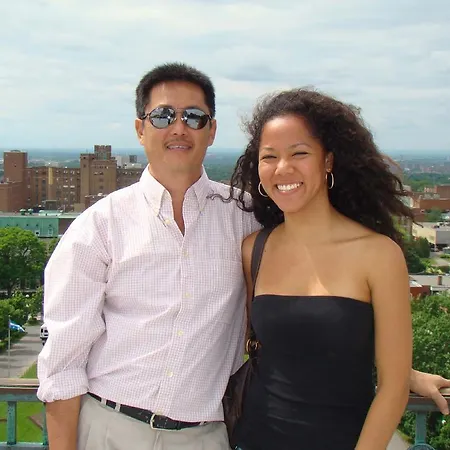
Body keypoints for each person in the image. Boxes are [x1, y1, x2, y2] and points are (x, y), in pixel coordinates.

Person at [37, 63, 450, 450]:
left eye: (194, 117)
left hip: (208, 437)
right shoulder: (99, 227)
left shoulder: (244, 220)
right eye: (162, 116)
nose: (179, 127)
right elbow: (62, 366)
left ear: (211, 130)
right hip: (111, 429)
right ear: (140, 129)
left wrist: (400, 373)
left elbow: (316, 314)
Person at [226, 88, 435, 449]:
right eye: (269, 156)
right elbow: (277, 345)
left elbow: (393, 388)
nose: (283, 168)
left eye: (299, 153)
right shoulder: (254, 250)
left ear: (328, 161)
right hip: (250, 440)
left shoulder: (378, 255)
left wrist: (406, 374)